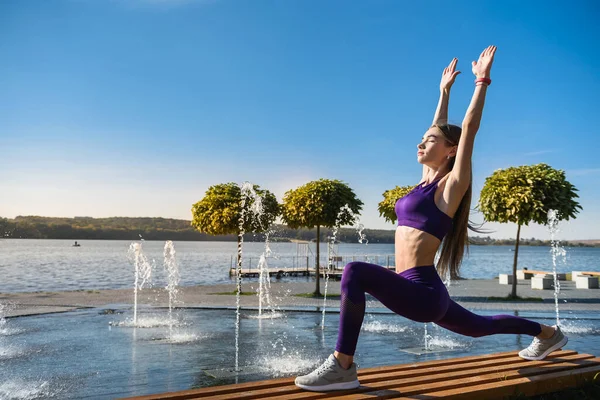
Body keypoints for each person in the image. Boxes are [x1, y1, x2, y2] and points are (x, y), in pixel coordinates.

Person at [294, 45, 568, 392]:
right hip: (418, 289)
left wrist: (481, 81)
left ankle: (343, 366)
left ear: (451, 150)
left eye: (430, 141)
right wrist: (443, 92)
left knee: (354, 271)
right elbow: (440, 127)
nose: (421, 144)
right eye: (422, 139)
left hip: (421, 291)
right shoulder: (424, 182)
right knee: (480, 326)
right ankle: (548, 334)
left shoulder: (451, 186)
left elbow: (467, 129)